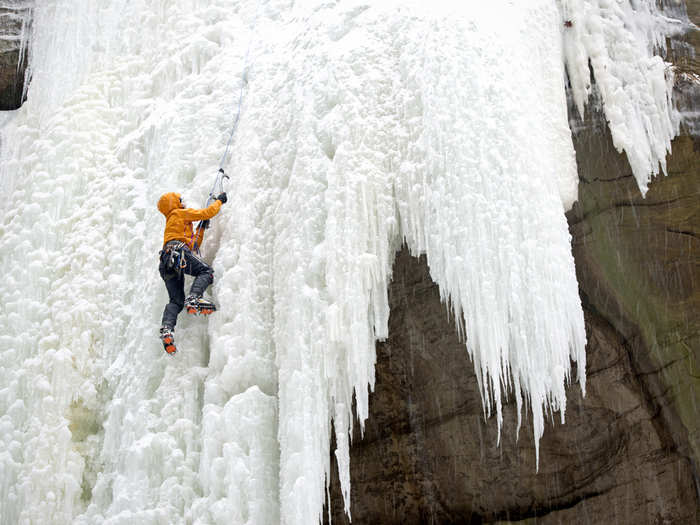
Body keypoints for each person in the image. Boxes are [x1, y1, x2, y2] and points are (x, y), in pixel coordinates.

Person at [156, 191, 227, 354]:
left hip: (166, 261)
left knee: (176, 301)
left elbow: (194, 245)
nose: (183, 202)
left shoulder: (172, 221)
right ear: (174, 203)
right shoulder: (179, 213)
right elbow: (206, 212)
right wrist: (219, 202)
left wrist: (201, 228)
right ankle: (194, 298)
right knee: (206, 272)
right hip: (177, 252)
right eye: (179, 200)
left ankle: (167, 329)